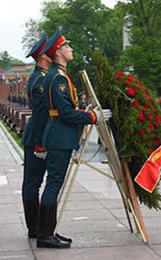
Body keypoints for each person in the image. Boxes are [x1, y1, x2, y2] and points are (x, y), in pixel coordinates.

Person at [36, 29, 111, 248]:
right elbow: (66, 113)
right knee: (53, 185)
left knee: (55, 184)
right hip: (59, 136)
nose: (71, 49)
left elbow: (68, 107)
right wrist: (91, 116)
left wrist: (85, 110)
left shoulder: (59, 74)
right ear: (58, 52)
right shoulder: (57, 78)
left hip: (60, 135)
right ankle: (44, 236)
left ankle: (49, 231)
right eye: (67, 46)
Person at [21, 33, 51, 239]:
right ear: (42, 56)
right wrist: (41, 144)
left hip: (36, 136)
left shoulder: (40, 78)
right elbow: (41, 115)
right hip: (36, 138)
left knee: (33, 182)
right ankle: (34, 227)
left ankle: (35, 226)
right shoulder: (40, 81)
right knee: (33, 183)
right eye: (48, 51)